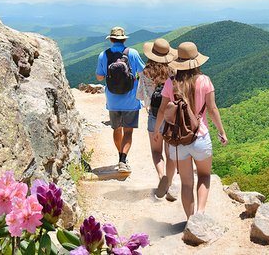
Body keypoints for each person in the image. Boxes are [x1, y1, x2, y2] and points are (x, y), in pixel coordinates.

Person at [153, 41, 228, 219]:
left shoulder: (171, 83)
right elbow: (212, 109)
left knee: (186, 183)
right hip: (200, 137)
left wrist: (157, 131)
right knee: (204, 176)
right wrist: (221, 132)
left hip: (178, 141)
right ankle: (200, 214)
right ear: (196, 61)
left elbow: (163, 110)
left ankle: (189, 220)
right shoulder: (204, 81)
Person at [96, 26, 145, 173]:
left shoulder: (103, 55)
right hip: (131, 99)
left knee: (116, 129)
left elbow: (99, 77)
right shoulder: (133, 53)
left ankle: (120, 156)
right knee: (128, 131)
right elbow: (142, 72)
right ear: (124, 39)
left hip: (112, 100)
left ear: (111, 39)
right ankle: (123, 160)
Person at [136, 38, 177, 198]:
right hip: (171, 116)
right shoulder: (173, 72)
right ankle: (170, 184)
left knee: (156, 151)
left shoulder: (145, 73)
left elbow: (140, 96)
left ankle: (161, 177)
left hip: (154, 114)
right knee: (170, 152)